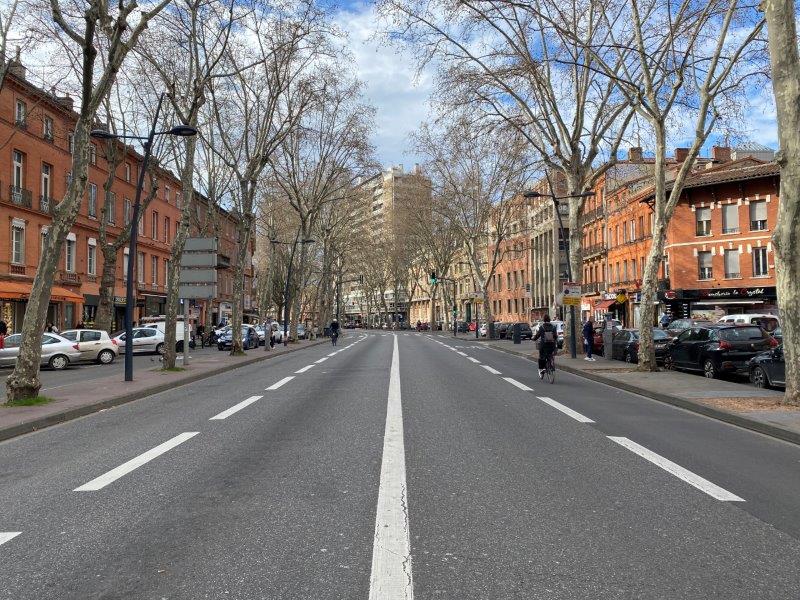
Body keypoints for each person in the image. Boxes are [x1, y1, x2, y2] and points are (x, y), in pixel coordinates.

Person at [533, 315, 558, 379]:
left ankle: (541, 369)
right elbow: (555, 336)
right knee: (550, 355)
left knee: (542, 357)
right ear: (549, 320)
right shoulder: (553, 327)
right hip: (552, 345)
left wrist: (533, 339)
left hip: (544, 345)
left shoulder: (542, 327)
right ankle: (551, 365)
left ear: (544, 320)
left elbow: (537, 335)